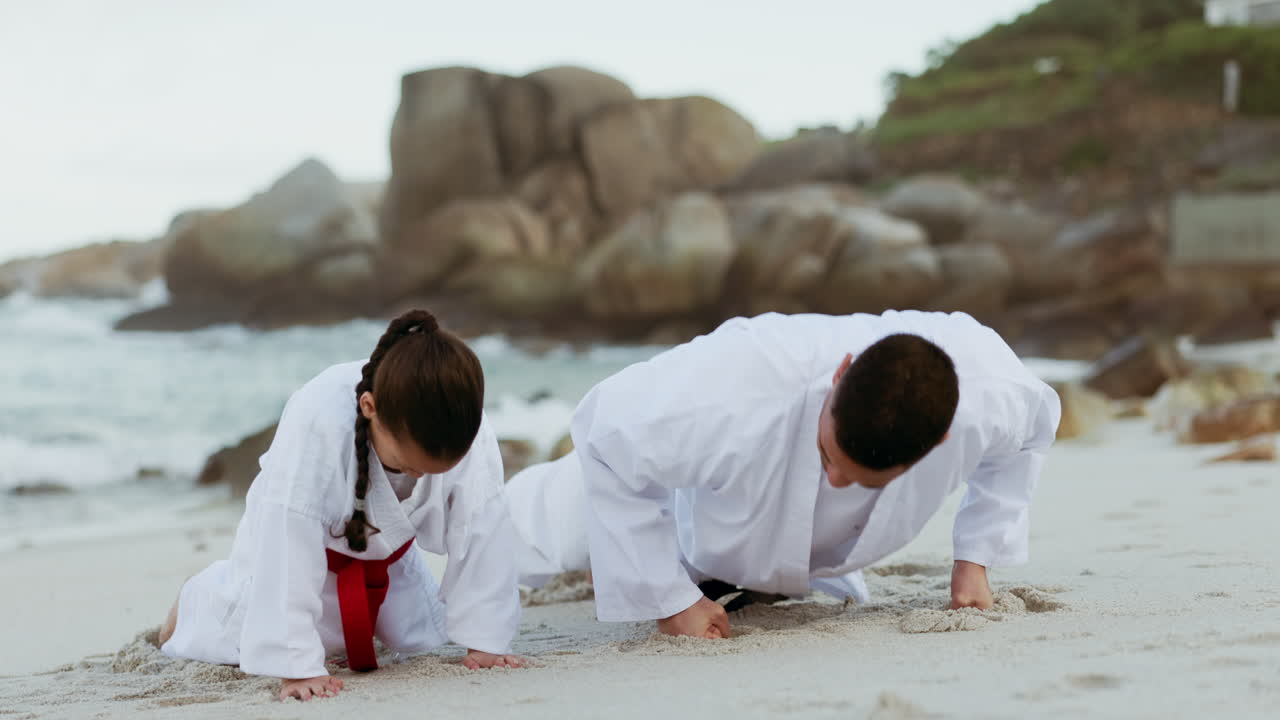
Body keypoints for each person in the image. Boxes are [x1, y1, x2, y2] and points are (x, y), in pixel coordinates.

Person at [506, 310, 1061, 639]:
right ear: (840, 375)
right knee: (517, 537)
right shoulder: (728, 388)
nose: (837, 483)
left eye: (864, 478)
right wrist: (665, 598)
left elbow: (1034, 430)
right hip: (679, 504)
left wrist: (975, 560)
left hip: (794, 560)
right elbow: (603, 436)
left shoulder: (990, 396)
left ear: (940, 440)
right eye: (830, 459)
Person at [159, 309, 524, 701]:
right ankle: (198, 596)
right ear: (369, 407)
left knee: (416, 635)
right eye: (408, 465)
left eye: (433, 470)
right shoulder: (319, 417)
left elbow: (482, 523)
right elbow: (289, 540)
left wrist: (486, 639)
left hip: (386, 551)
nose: (419, 478)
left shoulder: (461, 417)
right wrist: (296, 665)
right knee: (226, 637)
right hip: (298, 546)